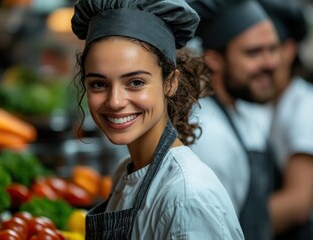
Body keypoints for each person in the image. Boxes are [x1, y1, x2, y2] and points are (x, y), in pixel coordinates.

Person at [70, 0, 244, 239]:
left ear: (170, 82)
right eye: (99, 84)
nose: (115, 101)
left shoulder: (186, 197)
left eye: (136, 82)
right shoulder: (126, 171)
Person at [186, 0, 280, 239]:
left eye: (273, 49)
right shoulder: (208, 133)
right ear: (214, 59)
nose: (271, 63)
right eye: (254, 52)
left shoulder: (243, 113)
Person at [257, 0, 313, 239]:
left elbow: (297, 203)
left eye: (271, 50)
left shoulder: (304, 107)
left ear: (289, 50)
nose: (263, 63)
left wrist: (231, 224)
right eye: (254, 51)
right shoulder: (269, 103)